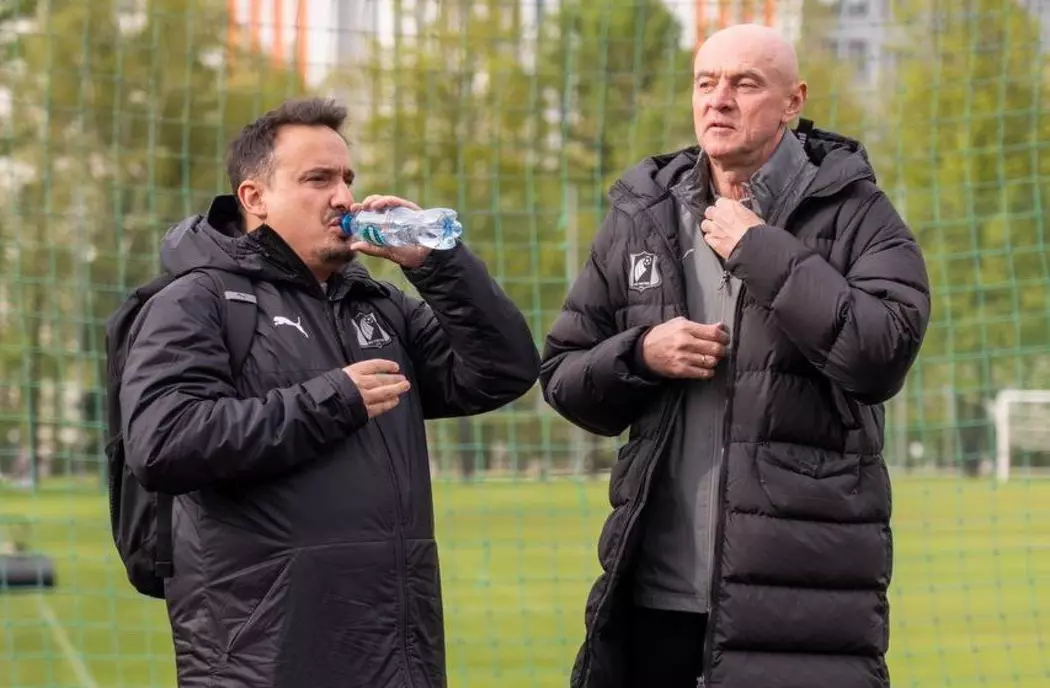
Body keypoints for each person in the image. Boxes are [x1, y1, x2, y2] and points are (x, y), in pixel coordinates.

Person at [540, 23, 930, 688]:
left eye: (745, 84)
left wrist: (761, 250)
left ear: (793, 100)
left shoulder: (857, 211)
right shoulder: (643, 214)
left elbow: (881, 354)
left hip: (799, 601)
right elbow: (563, 376)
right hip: (657, 599)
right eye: (705, 82)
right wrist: (640, 354)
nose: (718, 99)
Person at [118, 97, 540, 687]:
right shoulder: (197, 301)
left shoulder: (379, 304)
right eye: (318, 179)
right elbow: (163, 443)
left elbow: (503, 370)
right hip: (266, 661)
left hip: (398, 656)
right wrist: (333, 400)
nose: (343, 197)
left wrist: (438, 265)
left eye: (347, 178)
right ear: (254, 197)